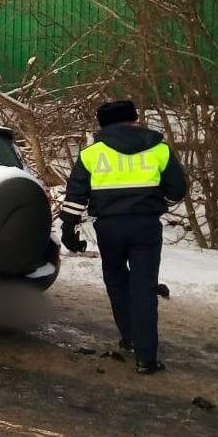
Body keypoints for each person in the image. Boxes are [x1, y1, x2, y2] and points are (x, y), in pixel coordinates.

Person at [60, 99, 187, 375]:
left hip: (109, 229)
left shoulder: (91, 155)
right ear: (134, 119)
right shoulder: (159, 150)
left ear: (102, 125)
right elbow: (178, 190)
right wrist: (153, 196)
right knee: (144, 289)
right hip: (146, 227)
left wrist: (68, 230)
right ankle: (146, 359)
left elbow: (75, 197)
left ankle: (129, 337)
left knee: (117, 282)